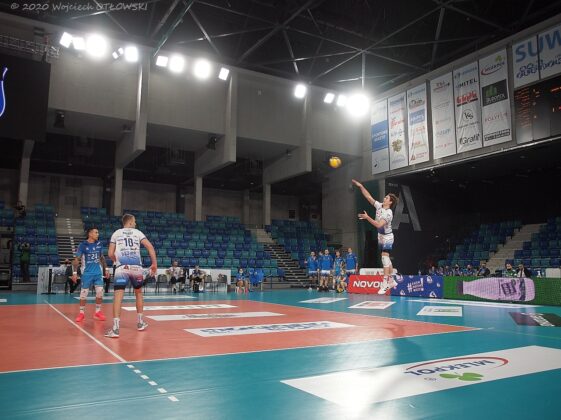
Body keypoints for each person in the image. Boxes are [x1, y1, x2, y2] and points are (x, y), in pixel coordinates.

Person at [105, 214, 157, 338]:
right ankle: (140, 323)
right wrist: (154, 264)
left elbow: (110, 253)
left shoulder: (116, 233)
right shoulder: (138, 233)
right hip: (136, 268)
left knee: (118, 295)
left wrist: (117, 260)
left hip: (122, 267)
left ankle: (116, 329)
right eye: (134, 221)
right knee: (138, 293)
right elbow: (150, 247)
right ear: (129, 222)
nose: (135, 223)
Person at [353, 179, 399, 295]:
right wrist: (361, 186)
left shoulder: (388, 213)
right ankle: (392, 280)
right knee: (386, 258)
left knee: (384, 258)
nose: (384, 198)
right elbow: (368, 197)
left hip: (387, 237)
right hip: (380, 236)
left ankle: (385, 283)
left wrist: (367, 217)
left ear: (390, 202)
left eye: (386, 198)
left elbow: (378, 225)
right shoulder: (379, 206)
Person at [72, 227, 107, 322]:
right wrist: (74, 273)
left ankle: (97, 312)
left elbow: (102, 257)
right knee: (84, 293)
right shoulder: (83, 245)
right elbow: (76, 260)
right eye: (96, 232)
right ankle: (81, 313)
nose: (98, 234)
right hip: (87, 273)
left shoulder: (99, 244)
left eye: (98, 232)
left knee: (100, 292)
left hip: (98, 272)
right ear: (90, 234)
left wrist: (106, 269)